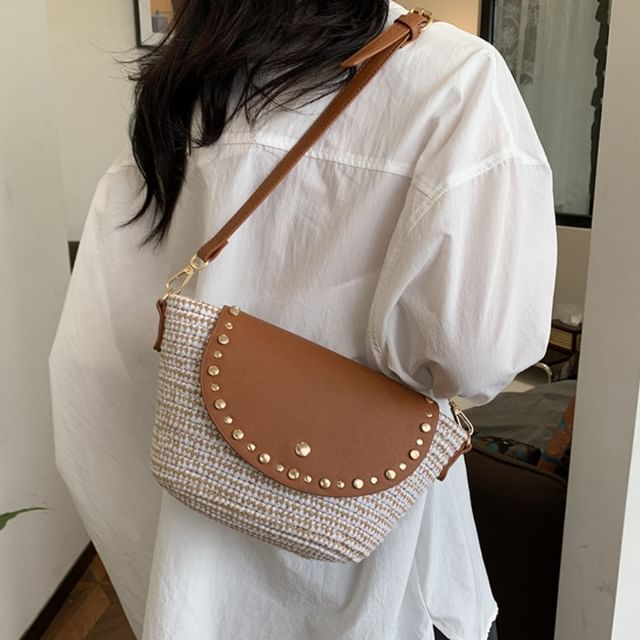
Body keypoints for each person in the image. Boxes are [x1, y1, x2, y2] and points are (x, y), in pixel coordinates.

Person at [50, 1, 556, 638]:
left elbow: (98, 349)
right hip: (373, 556)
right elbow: (475, 355)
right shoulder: (455, 78)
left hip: (192, 564)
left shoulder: (185, 82)